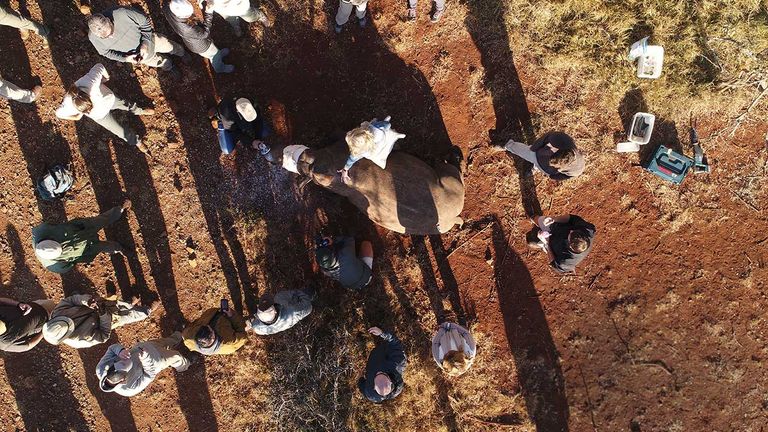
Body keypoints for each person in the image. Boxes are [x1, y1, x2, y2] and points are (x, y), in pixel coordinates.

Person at [55, 63, 154, 153]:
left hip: (109, 99)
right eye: (87, 111)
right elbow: (58, 114)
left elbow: (100, 66)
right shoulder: (68, 105)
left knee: (126, 104)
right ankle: (137, 143)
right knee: (120, 131)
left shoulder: (90, 82)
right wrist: (77, 117)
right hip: (101, 116)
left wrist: (106, 78)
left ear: (90, 95)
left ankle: (140, 110)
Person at [32, 201, 131, 274]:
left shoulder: (40, 231)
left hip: (81, 227)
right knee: (102, 246)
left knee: (100, 220)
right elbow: (70, 265)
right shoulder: (54, 266)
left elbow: (52, 223)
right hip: (85, 249)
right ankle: (118, 248)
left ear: (48, 238)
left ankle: (119, 210)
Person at [87, 7, 187, 74]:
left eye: (111, 32)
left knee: (169, 46)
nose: (111, 37)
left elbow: (145, 23)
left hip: (153, 40)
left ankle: (182, 53)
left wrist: (146, 42)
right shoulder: (93, 38)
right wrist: (124, 59)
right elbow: (106, 53)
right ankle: (170, 66)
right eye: (105, 37)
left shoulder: (123, 14)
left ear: (108, 20)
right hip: (140, 56)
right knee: (158, 62)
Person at [42, 293, 157, 348]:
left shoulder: (57, 313)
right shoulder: (79, 341)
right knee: (129, 315)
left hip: (97, 305)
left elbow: (72, 300)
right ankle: (147, 310)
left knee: (116, 303)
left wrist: (87, 301)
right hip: (107, 319)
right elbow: (103, 335)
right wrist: (103, 315)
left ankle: (129, 303)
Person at [96, 332, 189, 397]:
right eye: (126, 363)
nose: (126, 359)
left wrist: (120, 350)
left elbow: (112, 349)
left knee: (164, 342)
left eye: (121, 361)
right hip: (157, 360)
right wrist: (146, 359)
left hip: (144, 347)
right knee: (177, 357)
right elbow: (149, 374)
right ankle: (185, 365)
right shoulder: (129, 389)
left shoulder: (101, 368)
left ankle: (180, 335)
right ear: (123, 381)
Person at [163, 0, 234, 74]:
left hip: (193, 41)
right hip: (202, 46)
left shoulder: (168, 7)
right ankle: (220, 67)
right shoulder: (186, 28)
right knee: (213, 54)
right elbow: (204, 34)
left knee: (214, 52)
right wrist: (208, 13)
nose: (191, 15)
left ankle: (218, 54)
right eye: (188, 15)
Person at [341, 116, 405, 183]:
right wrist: (386, 124)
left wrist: (345, 169)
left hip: (377, 151)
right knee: (389, 135)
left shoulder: (360, 151)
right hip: (382, 140)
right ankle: (395, 134)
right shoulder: (373, 129)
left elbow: (351, 160)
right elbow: (387, 125)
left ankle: (396, 135)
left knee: (389, 140)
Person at [501, 132, 585, 180]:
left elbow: (566, 176)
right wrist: (534, 148)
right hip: (537, 154)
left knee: (539, 167)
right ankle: (508, 145)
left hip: (547, 170)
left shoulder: (578, 169)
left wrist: (553, 176)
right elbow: (546, 137)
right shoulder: (560, 139)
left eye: (557, 167)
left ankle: (535, 168)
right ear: (557, 150)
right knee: (521, 150)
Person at [528, 214, 596, 273]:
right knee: (539, 220)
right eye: (573, 231)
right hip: (557, 227)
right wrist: (554, 219)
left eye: (570, 234)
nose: (571, 230)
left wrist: (547, 243)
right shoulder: (587, 229)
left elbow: (553, 262)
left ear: (570, 246)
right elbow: (571, 218)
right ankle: (533, 218)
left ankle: (542, 244)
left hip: (551, 244)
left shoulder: (566, 262)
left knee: (531, 241)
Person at [358, 327, 406, 403]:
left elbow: (361, 385)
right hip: (383, 349)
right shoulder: (397, 363)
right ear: (390, 379)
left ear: (374, 386)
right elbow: (395, 343)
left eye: (376, 376)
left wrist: (360, 378)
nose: (378, 372)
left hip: (375, 356)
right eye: (382, 373)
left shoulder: (371, 394)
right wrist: (382, 333)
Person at [182, 302, 247, 355]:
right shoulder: (230, 343)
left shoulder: (188, 337)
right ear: (213, 338)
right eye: (211, 329)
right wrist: (231, 316)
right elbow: (242, 333)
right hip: (228, 318)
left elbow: (192, 325)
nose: (208, 325)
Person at [248, 287, 315, 335]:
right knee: (308, 293)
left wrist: (249, 323)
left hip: (286, 322)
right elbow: (308, 307)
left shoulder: (257, 328)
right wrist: (302, 294)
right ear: (275, 312)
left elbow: (253, 325)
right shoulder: (291, 310)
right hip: (298, 302)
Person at [203, 0, 270, 38]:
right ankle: (236, 26)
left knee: (250, 17)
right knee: (231, 20)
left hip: (240, 7)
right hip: (223, 10)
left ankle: (259, 15)